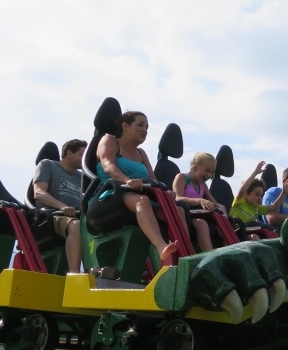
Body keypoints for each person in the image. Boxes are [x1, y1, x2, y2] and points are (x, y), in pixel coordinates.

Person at [95, 111, 186, 264]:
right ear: (125, 126)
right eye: (140, 125)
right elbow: (108, 166)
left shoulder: (141, 153)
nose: (145, 130)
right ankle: (161, 246)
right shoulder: (110, 140)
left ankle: (183, 253)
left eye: (147, 127)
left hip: (138, 193)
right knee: (141, 201)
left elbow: (153, 179)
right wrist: (127, 180)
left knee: (178, 210)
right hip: (111, 193)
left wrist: (166, 191)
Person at [31, 138, 87, 273]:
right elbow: (38, 193)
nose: (83, 159)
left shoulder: (81, 177)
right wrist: (62, 206)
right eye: (81, 155)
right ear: (69, 153)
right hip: (52, 215)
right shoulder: (47, 165)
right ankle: (74, 274)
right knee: (75, 225)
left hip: (77, 216)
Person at [173, 151, 224, 252]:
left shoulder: (203, 186)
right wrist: (199, 201)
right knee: (202, 224)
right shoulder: (182, 177)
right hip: (186, 216)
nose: (209, 175)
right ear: (195, 167)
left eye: (212, 172)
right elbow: (177, 198)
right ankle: (209, 256)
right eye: (207, 170)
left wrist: (222, 208)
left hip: (200, 214)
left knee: (222, 221)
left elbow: (214, 203)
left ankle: (229, 251)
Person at [230, 161, 288, 240]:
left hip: (250, 231)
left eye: (261, 195)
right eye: (257, 194)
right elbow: (242, 190)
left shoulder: (257, 208)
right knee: (256, 234)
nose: (260, 198)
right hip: (237, 231)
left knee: (271, 234)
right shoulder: (239, 203)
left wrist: (284, 193)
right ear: (246, 195)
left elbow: (274, 207)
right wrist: (255, 173)